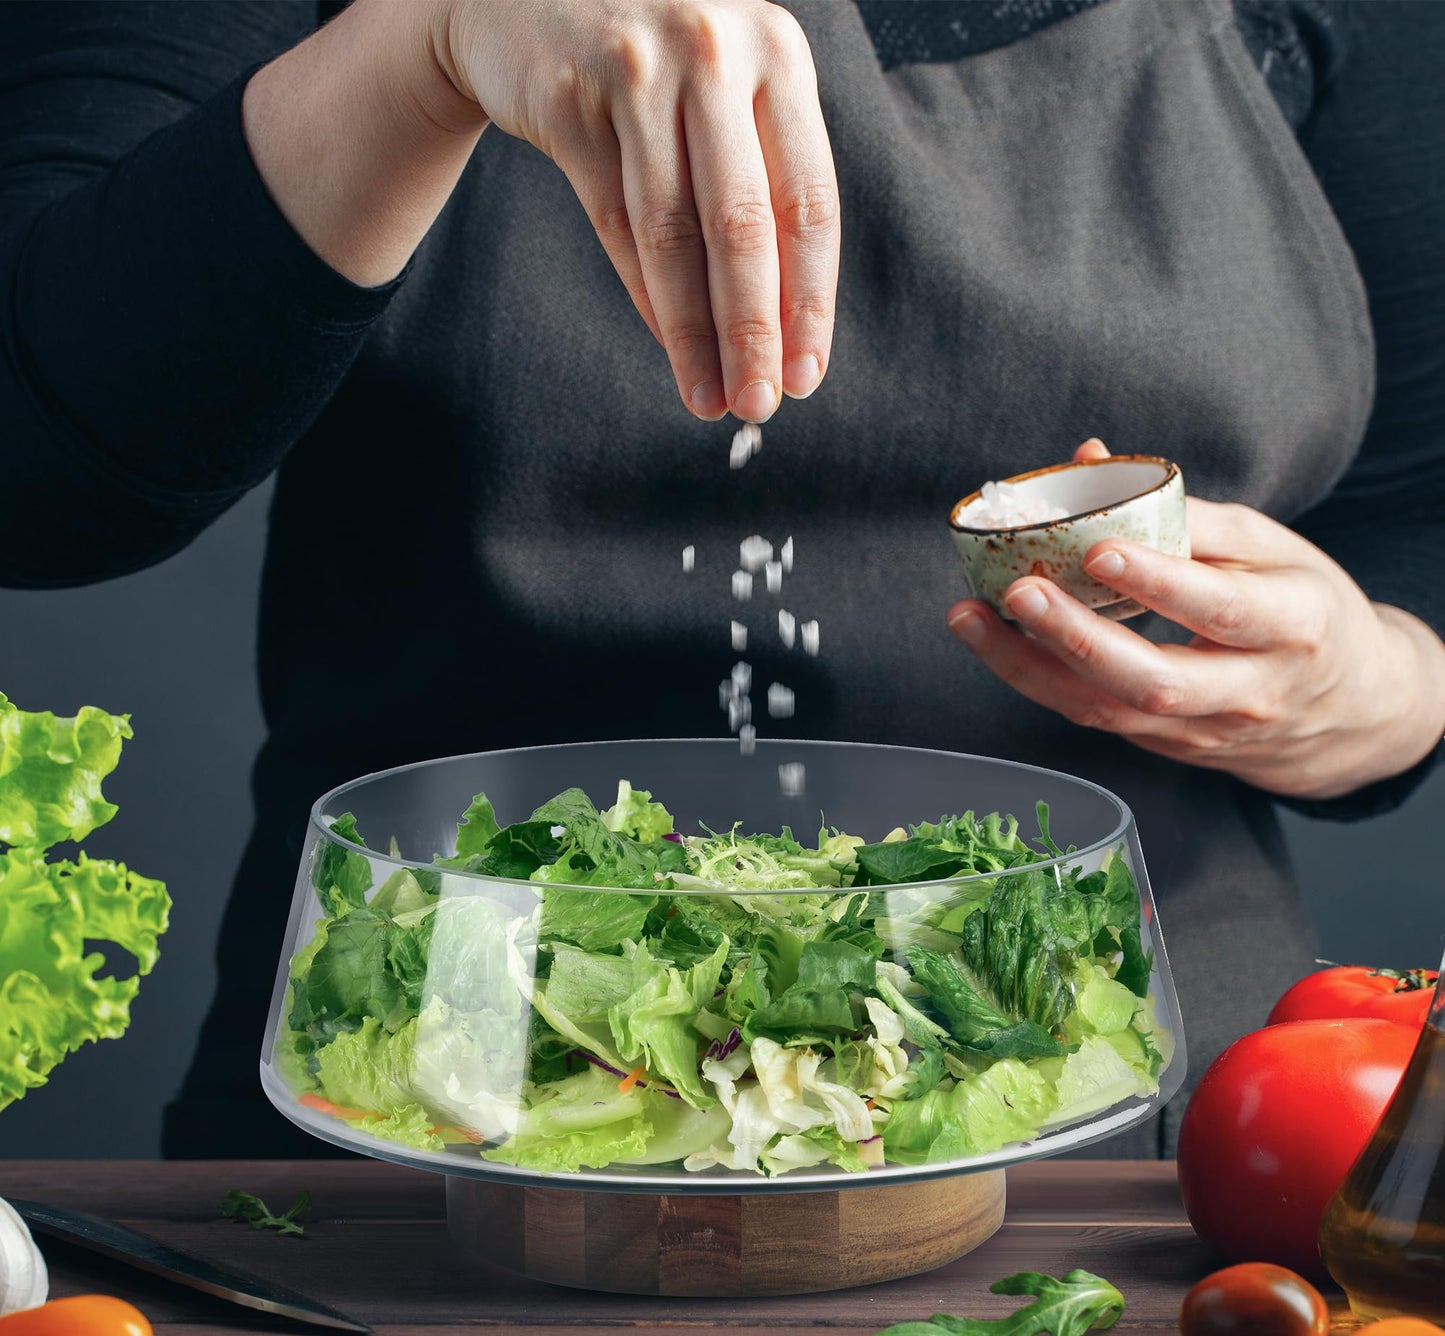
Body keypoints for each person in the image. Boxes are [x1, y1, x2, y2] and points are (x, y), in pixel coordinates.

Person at [1, 0, 1441, 1160]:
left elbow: (1420, 518)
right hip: (439, 1114)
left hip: (1141, 1144)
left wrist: (1368, 687)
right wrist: (417, 48)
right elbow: (38, 465)